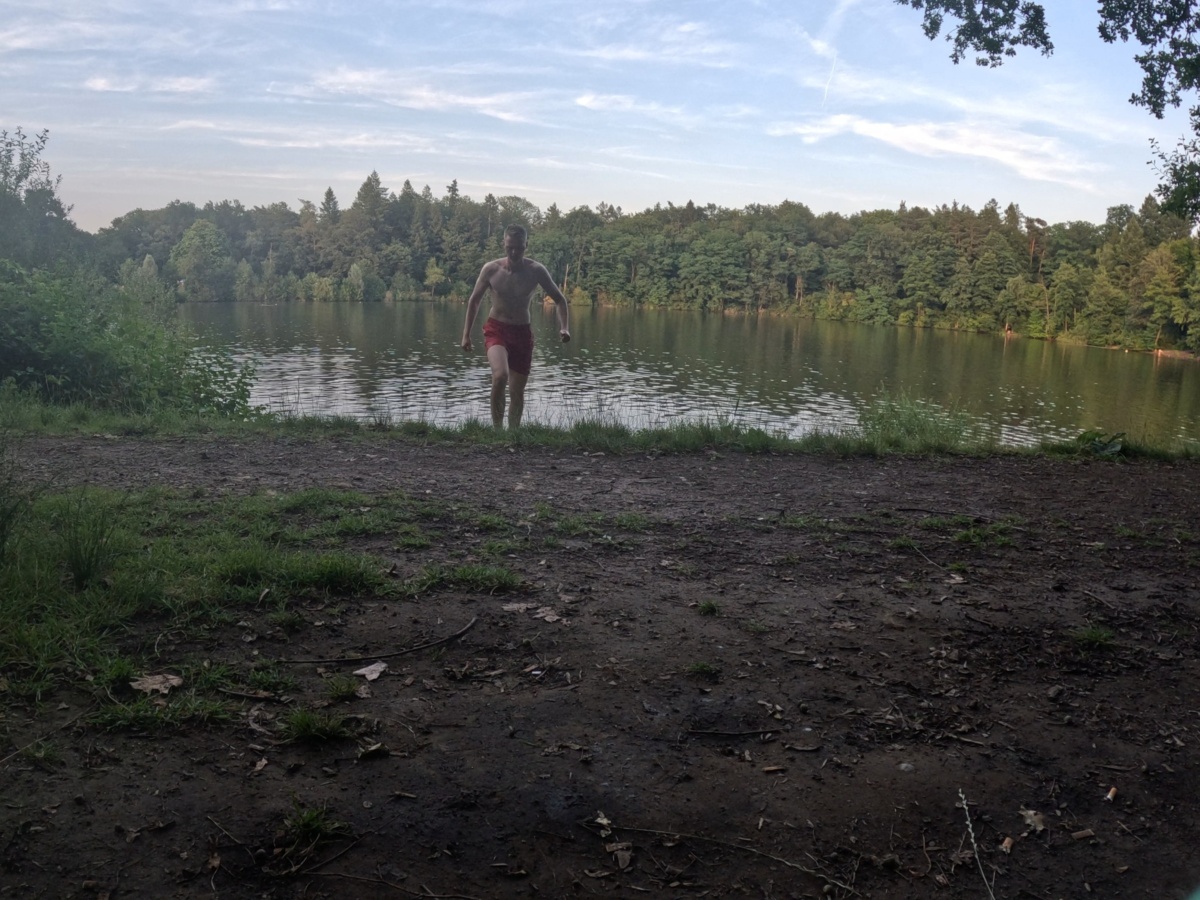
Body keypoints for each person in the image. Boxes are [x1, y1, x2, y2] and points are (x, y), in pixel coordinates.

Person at [461, 224, 570, 428]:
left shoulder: (536, 271)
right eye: (510, 247)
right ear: (504, 243)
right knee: (500, 375)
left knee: (517, 391)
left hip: (522, 333)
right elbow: (474, 300)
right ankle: (497, 430)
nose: (514, 252)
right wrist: (466, 334)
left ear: (526, 245)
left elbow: (560, 300)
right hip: (496, 329)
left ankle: (513, 434)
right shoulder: (491, 269)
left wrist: (565, 327)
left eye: (519, 247)